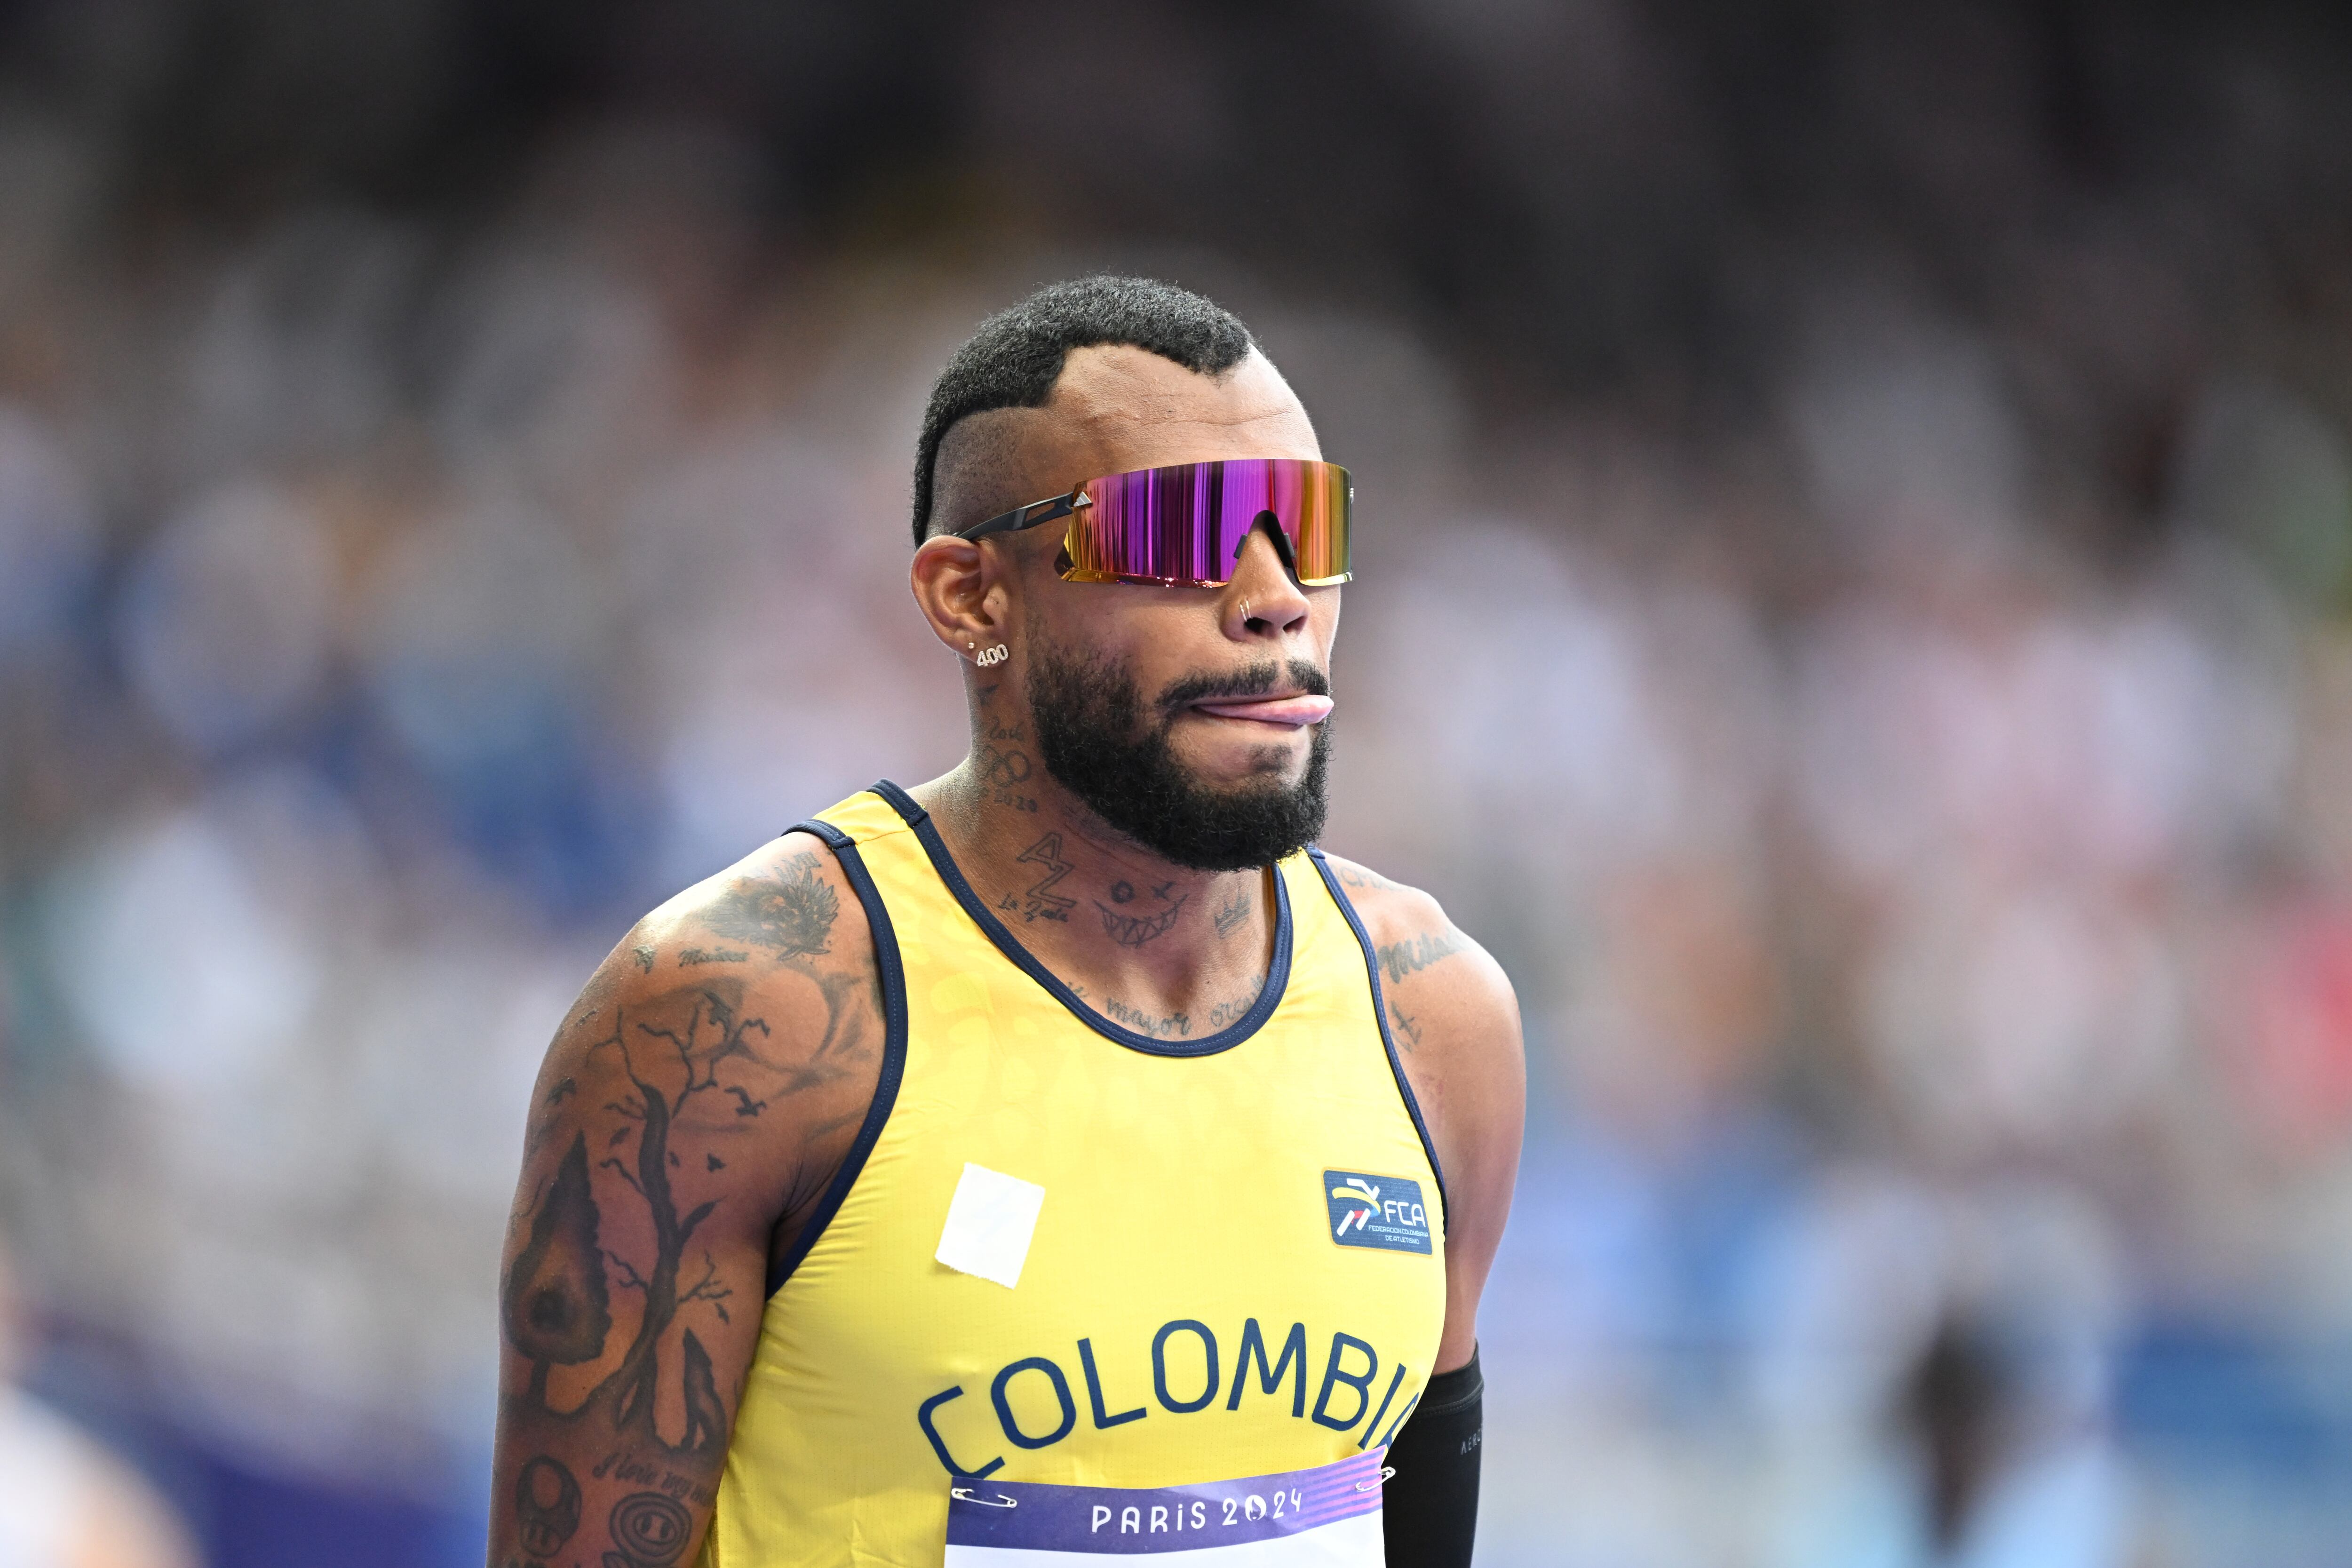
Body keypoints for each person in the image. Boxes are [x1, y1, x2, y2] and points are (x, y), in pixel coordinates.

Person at [488, 276, 1524, 1568]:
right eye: (1189, 532)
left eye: (1307, 528)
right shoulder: (737, 1018)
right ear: (973, 597)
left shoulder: (1434, 1014)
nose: (1276, 600)